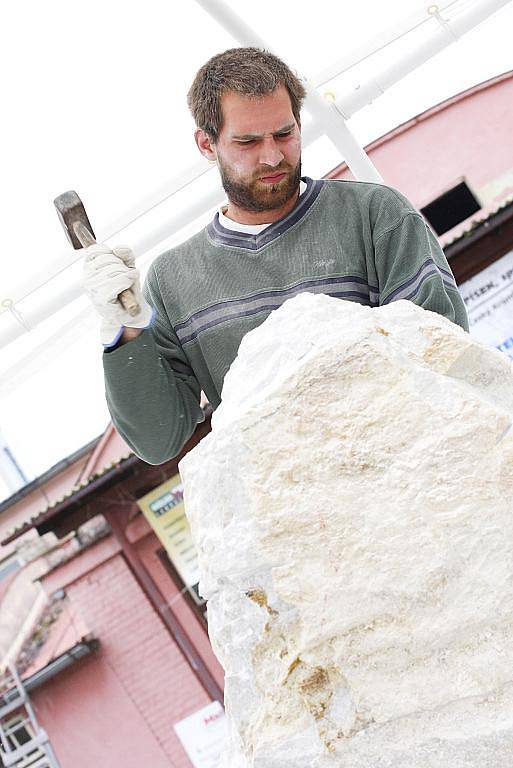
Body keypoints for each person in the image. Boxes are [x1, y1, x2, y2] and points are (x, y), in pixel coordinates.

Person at [83, 47, 469, 465]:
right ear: (207, 144)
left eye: (284, 134)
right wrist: (124, 333)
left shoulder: (374, 216)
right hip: (287, 511)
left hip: (407, 474)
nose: (271, 156)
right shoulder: (174, 279)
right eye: (247, 141)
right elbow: (158, 441)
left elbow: (445, 349)